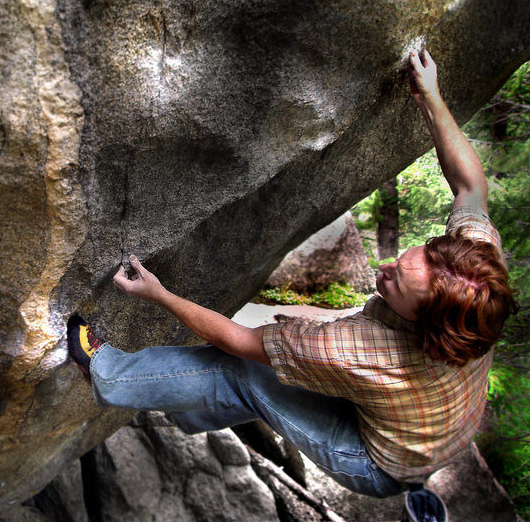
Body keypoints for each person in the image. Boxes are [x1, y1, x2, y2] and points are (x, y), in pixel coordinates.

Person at [67, 50, 518, 498]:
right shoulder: (472, 272)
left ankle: (107, 371)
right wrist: (430, 97)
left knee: (242, 372)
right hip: (434, 425)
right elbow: (469, 186)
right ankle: (188, 413)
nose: (384, 268)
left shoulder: (365, 351)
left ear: (422, 324)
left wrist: (160, 294)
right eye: (404, 259)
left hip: (378, 462)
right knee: (271, 373)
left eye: (394, 283)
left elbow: (238, 343)